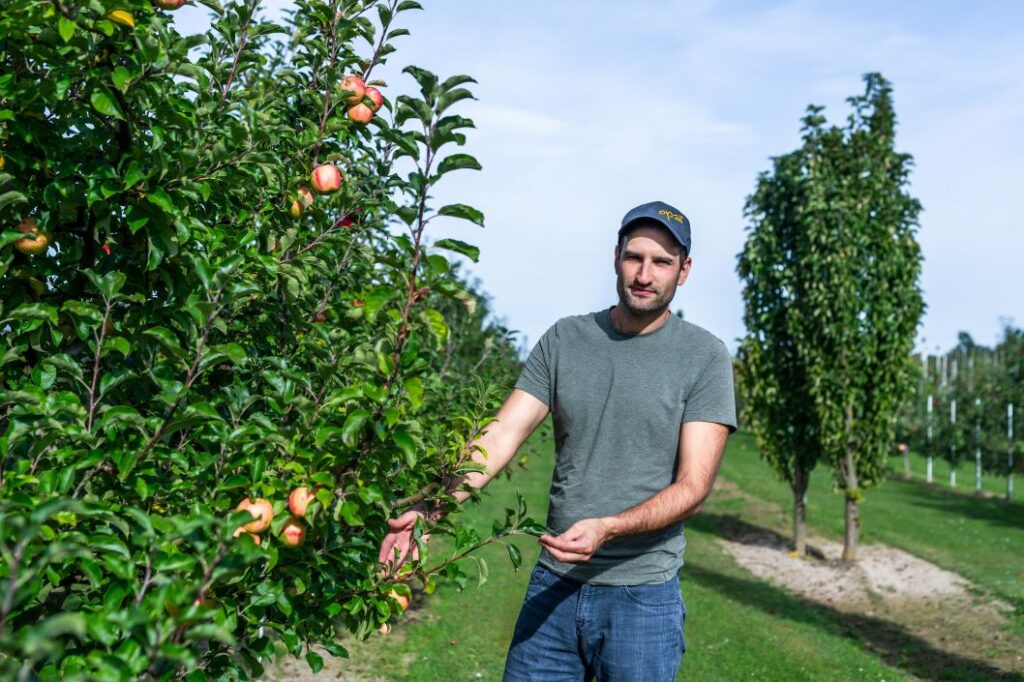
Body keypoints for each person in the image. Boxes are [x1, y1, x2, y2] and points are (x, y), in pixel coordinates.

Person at [378, 200, 736, 681]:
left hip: (642, 596)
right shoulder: (566, 339)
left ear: (684, 270)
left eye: (662, 262)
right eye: (635, 257)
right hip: (555, 584)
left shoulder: (704, 357)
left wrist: (607, 528)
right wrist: (429, 509)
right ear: (616, 257)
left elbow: (693, 486)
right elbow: (501, 435)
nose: (644, 274)